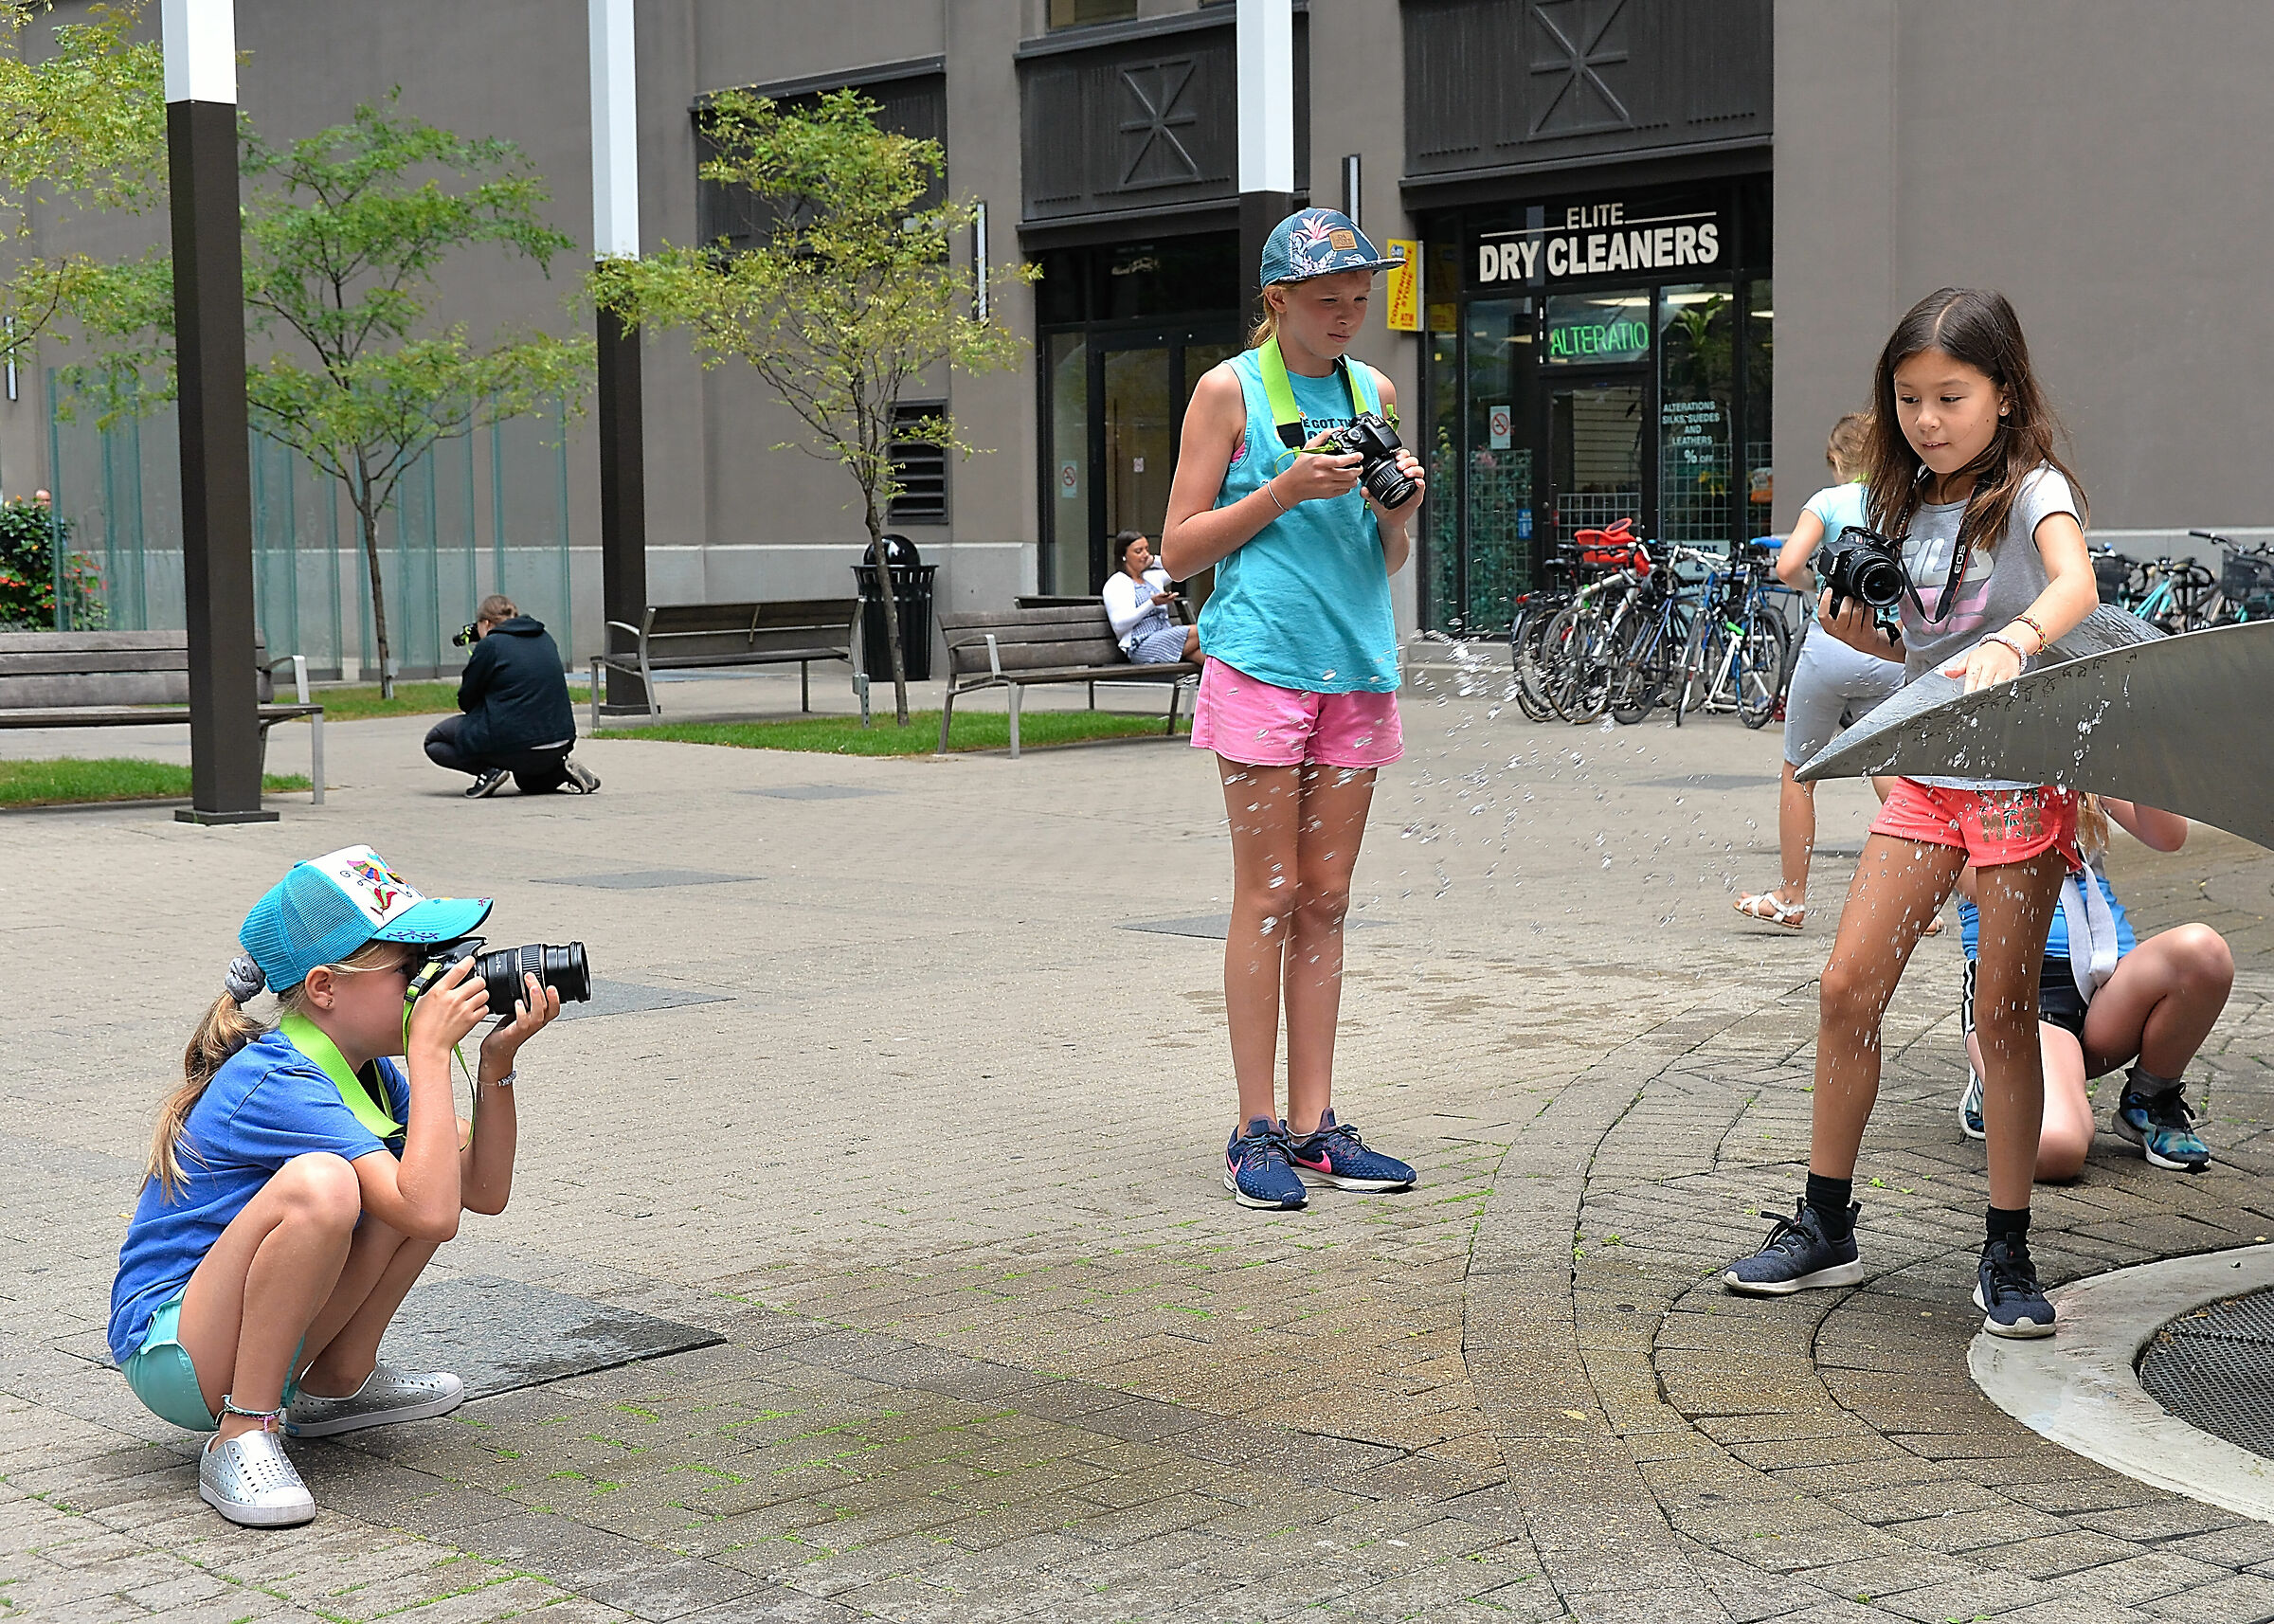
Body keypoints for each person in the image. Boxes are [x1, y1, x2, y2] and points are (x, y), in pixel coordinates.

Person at [1721, 288, 2100, 1340]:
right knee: (1847, 986)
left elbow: (2076, 583)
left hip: (2020, 782)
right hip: (1931, 775)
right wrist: (1867, 636)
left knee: (2004, 1014)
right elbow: (1923, 653)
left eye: (1951, 396)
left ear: (2004, 393)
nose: (1928, 420)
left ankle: (2008, 1247)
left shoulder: (2033, 489)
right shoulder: (1898, 501)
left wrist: (2017, 640)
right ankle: (1827, 1218)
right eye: (1908, 399)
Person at [108, 846, 561, 1526]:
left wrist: (496, 1059)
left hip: (241, 1331)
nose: (435, 984)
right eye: (410, 968)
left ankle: (335, 1379)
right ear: (324, 988)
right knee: (324, 1186)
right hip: (176, 1349)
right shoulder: (279, 1078)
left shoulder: (367, 1070)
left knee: (437, 1148)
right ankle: (242, 1432)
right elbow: (431, 1215)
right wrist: (435, 1051)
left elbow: (482, 1191)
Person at [1161, 207, 1425, 1212]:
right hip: (1263, 665)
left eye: (1360, 296)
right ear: (1278, 301)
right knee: (1266, 895)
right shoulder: (1229, 391)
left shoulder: (1375, 390)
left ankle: (1317, 1127)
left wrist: (1395, 514)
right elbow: (1177, 549)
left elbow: (1387, 559)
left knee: (1325, 898)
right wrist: (1287, 490)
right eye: (1328, 299)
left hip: (1355, 668)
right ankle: (1252, 1128)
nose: (1349, 313)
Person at [1955, 797, 2231, 1178]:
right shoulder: (1973, 776)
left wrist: (2136, 755)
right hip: (2025, 997)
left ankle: (2149, 1099)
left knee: (2205, 953)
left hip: (2108, 985)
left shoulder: (2081, 757)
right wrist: (2044, 804)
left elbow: (2169, 836)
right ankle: (2000, 1082)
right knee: (2057, 1148)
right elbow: (1976, 882)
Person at [1734, 414, 1909, 931]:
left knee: (1800, 772)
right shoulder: (1901, 500)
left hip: (1831, 646)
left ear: (1837, 461)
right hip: (1887, 648)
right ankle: (1919, 899)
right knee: (1892, 769)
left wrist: (1824, 588)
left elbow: (1788, 566)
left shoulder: (1828, 501)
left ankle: (1791, 897)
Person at [423, 594, 599, 798]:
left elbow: (467, 701)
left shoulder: (491, 645)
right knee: (528, 783)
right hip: (559, 743)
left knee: (435, 741)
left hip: (516, 745)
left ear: (486, 624)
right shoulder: (544, 637)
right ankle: (559, 771)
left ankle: (489, 771)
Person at [1102, 531, 1200, 664]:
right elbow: (1119, 625)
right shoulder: (1117, 583)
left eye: (1146, 549)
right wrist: (1152, 603)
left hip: (1166, 636)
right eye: (1138, 551)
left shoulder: (1151, 577)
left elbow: (1181, 568)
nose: (1145, 555)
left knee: (1206, 656)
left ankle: (1222, 684)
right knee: (1206, 629)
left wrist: (1154, 559)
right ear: (1123, 556)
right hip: (1142, 645)